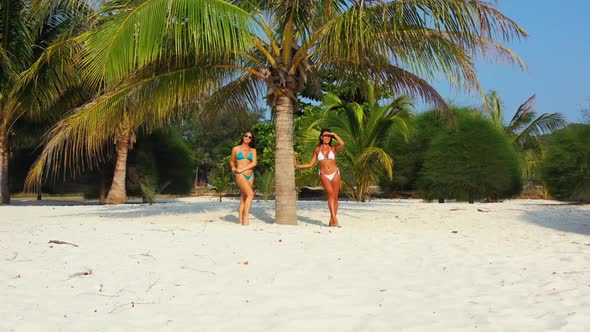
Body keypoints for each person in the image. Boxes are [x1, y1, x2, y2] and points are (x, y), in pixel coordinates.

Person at [294, 129, 345, 227]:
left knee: (335, 196)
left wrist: (334, 133)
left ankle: (332, 220)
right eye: (325, 135)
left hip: (335, 173)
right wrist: (297, 166)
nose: (327, 137)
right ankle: (335, 219)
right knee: (330, 193)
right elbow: (310, 164)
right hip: (324, 174)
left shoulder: (333, 149)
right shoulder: (318, 149)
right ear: (321, 137)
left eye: (329, 136)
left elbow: (342, 143)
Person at [230, 131, 257, 225]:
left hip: (250, 175)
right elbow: (232, 161)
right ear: (243, 136)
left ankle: (240, 220)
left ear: (251, 140)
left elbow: (254, 163)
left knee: (244, 197)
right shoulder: (236, 149)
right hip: (240, 175)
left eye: (250, 137)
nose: (247, 138)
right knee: (251, 194)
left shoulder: (253, 150)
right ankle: (246, 216)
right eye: (246, 135)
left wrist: (243, 169)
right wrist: (233, 168)